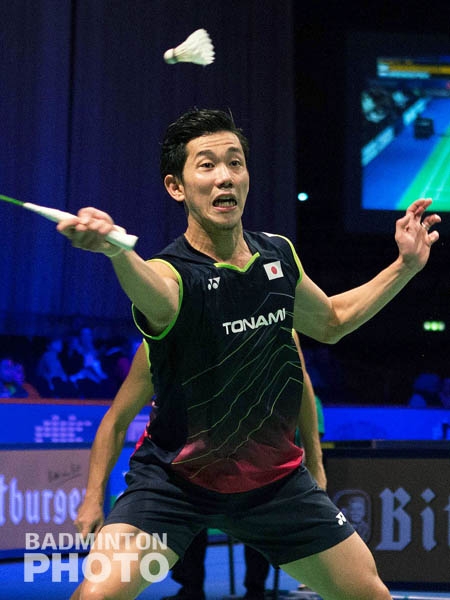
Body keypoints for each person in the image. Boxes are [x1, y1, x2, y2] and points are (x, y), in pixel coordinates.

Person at [57, 108, 439, 600]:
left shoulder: (278, 255)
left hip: (275, 484)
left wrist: (405, 267)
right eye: (207, 165)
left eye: (235, 162)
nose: (225, 177)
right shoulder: (173, 274)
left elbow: (331, 321)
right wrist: (116, 251)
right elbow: (152, 289)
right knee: (97, 596)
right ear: (176, 187)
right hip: (174, 484)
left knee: (370, 594)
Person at [161, 330, 325, 600]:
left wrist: (314, 465)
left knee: (262, 520)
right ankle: (191, 588)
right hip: (210, 467)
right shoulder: (222, 372)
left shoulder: (296, 380)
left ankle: (255, 590)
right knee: (188, 513)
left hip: (270, 472)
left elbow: (311, 431)